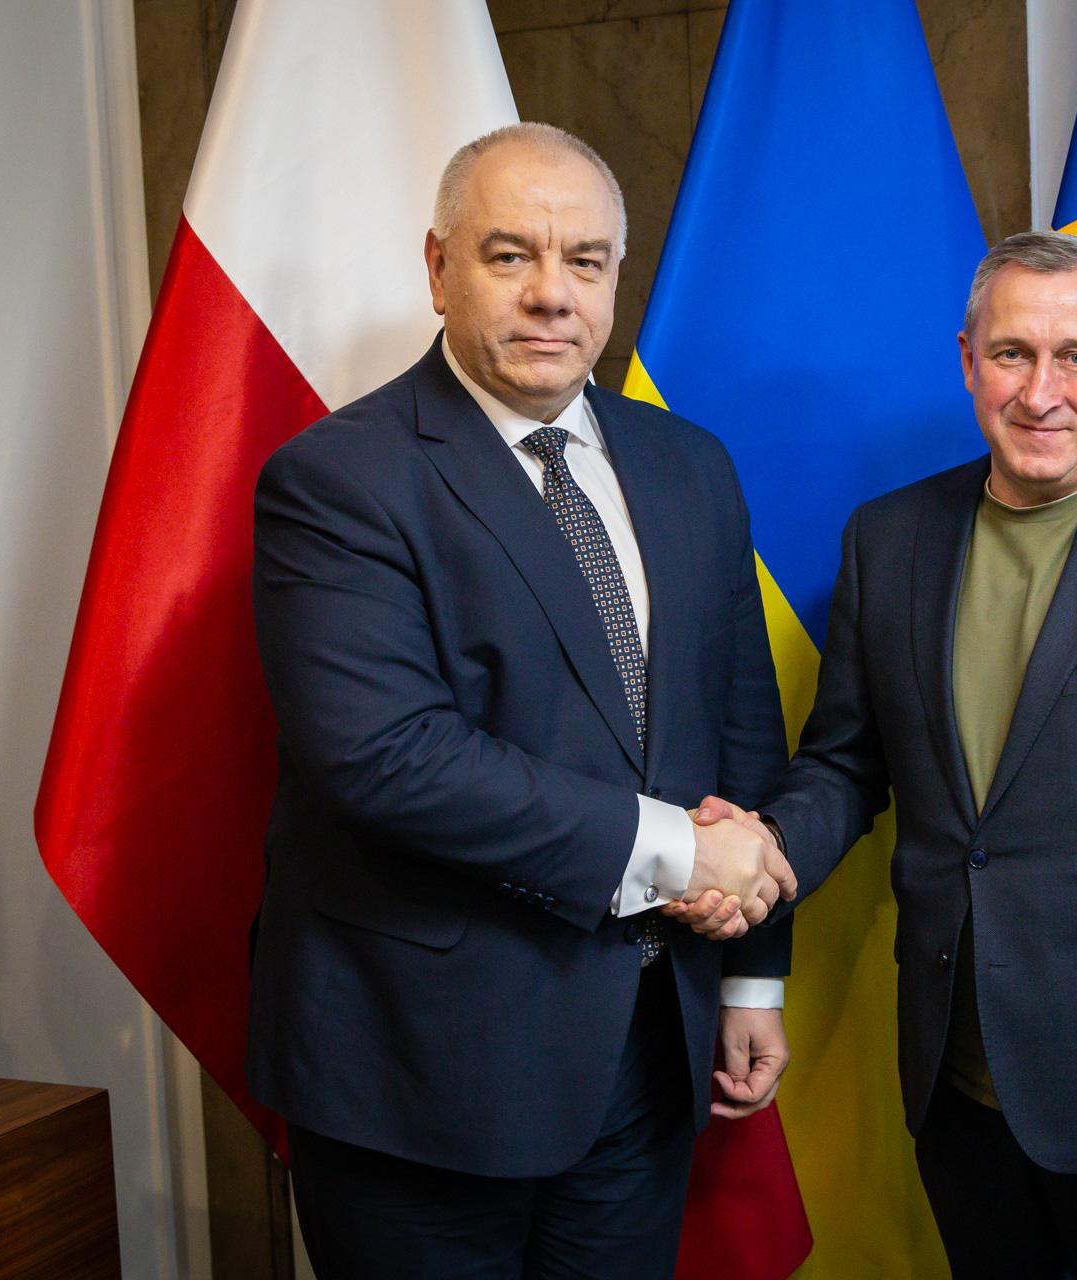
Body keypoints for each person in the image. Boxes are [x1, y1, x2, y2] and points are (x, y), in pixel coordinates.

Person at [680, 230, 1077, 1277]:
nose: (1040, 392)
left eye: (1076, 356)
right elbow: (846, 764)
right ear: (967, 360)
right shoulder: (889, 537)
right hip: (955, 1088)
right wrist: (763, 850)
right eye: (1011, 353)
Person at [244, 122, 798, 1279]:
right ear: (438, 265)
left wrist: (750, 971)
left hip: (643, 1056)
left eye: (585, 259)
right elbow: (387, 757)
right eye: (511, 255)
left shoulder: (690, 464)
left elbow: (738, 726)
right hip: (418, 1071)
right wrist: (682, 856)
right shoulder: (338, 479)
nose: (553, 293)